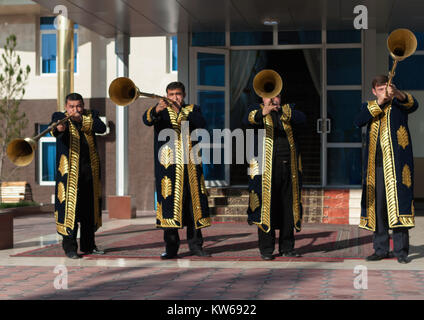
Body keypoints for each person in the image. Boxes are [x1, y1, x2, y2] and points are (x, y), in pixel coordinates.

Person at [143, 82, 212, 259]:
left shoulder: (192, 109)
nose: (175, 97)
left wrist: (180, 111)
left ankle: (196, 246)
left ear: (184, 95)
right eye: (171, 94)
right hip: (168, 171)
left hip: (191, 170)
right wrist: (157, 109)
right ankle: (171, 249)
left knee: (192, 208)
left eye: (178, 94)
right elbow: (147, 119)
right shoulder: (160, 112)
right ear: (166, 94)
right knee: (169, 209)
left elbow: (201, 123)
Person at [354, 75, 418, 264]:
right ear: (374, 91)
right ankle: (380, 249)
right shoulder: (368, 107)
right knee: (379, 209)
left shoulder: (399, 105)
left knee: (398, 207)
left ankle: (401, 251)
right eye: (380, 89)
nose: (384, 92)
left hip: (398, 167)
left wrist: (397, 93)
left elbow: (414, 105)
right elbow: (358, 121)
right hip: (376, 168)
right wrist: (379, 102)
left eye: (386, 88)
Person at [244, 88, 306, 260]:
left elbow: (303, 119)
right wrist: (264, 112)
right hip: (264, 171)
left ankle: (287, 247)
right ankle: (266, 249)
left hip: (289, 169)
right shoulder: (254, 110)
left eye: (276, 96)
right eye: (268, 96)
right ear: (261, 98)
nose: (273, 99)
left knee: (288, 208)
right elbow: (248, 120)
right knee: (265, 208)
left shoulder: (288, 110)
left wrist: (284, 111)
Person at [51, 93, 106, 259]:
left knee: (89, 212)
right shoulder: (59, 117)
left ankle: (89, 246)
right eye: (72, 107)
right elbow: (55, 130)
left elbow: (101, 128)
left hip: (90, 174)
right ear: (66, 107)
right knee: (70, 211)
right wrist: (59, 128)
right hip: (69, 177)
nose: (75, 110)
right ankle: (70, 248)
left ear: (83, 106)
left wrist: (81, 119)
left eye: (78, 106)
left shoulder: (91, 116)